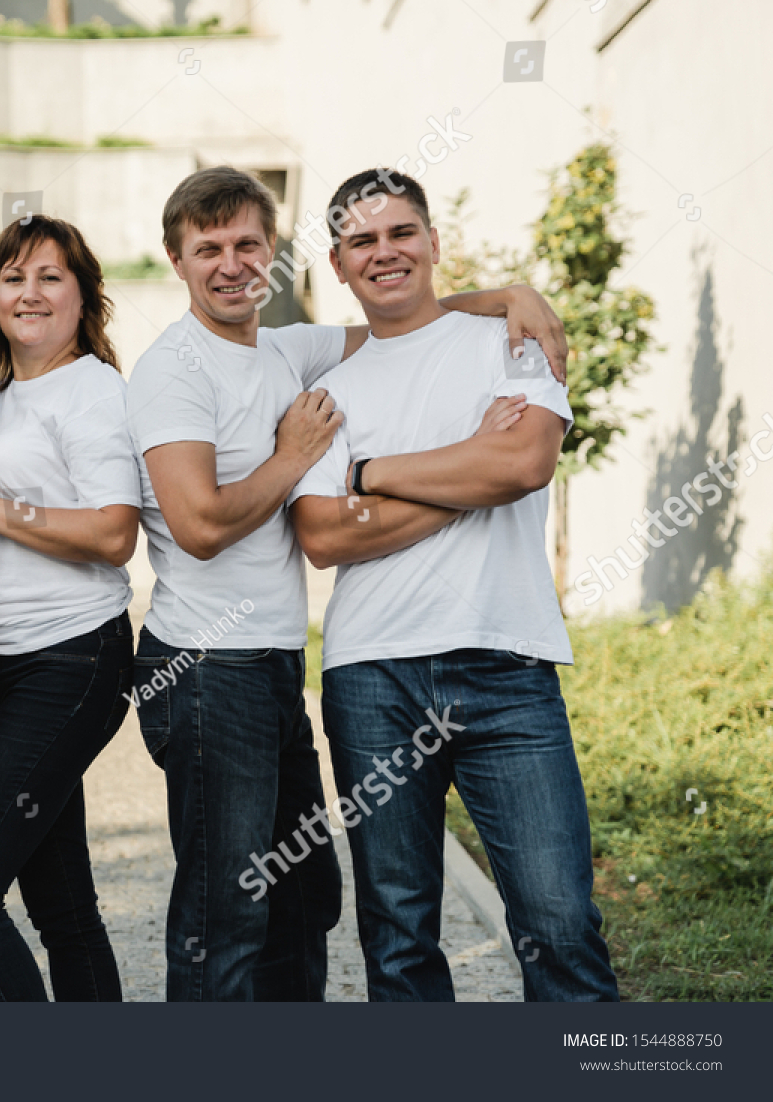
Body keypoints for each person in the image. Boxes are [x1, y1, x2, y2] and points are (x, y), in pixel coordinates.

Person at [126, 165, 570, 1001]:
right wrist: (299, 459)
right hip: (205, 674)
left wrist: (513, 291)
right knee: (228, 915)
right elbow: (203, 526)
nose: (230, 265)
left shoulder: (289, 349)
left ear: (278, 258)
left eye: (248, 245)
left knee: (304, 901)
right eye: (208, 249)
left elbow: (404, 316)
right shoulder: (173, 371)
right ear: (176, 261)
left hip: (270, 670)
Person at [286, 167, 618, 1002]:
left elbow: (523, 461)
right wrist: (465, 474)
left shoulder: (510, 341)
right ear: (337, 263)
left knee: (559, 923)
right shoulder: (325, 390)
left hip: (507, 665)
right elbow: (324, 534)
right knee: (397, 935)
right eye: (362, 240)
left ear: (435, 243)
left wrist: (370, 471)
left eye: (401, 233)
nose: (384, 252)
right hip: (373, 676)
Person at [0, 216, 139, 1001]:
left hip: (73, 661)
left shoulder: (92, 390)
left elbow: (115, 532)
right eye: (13, 277)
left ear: (84, 298)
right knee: (61, 905)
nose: (30, 292)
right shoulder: (3, 398)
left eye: (50, 276)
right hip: (8, 665)